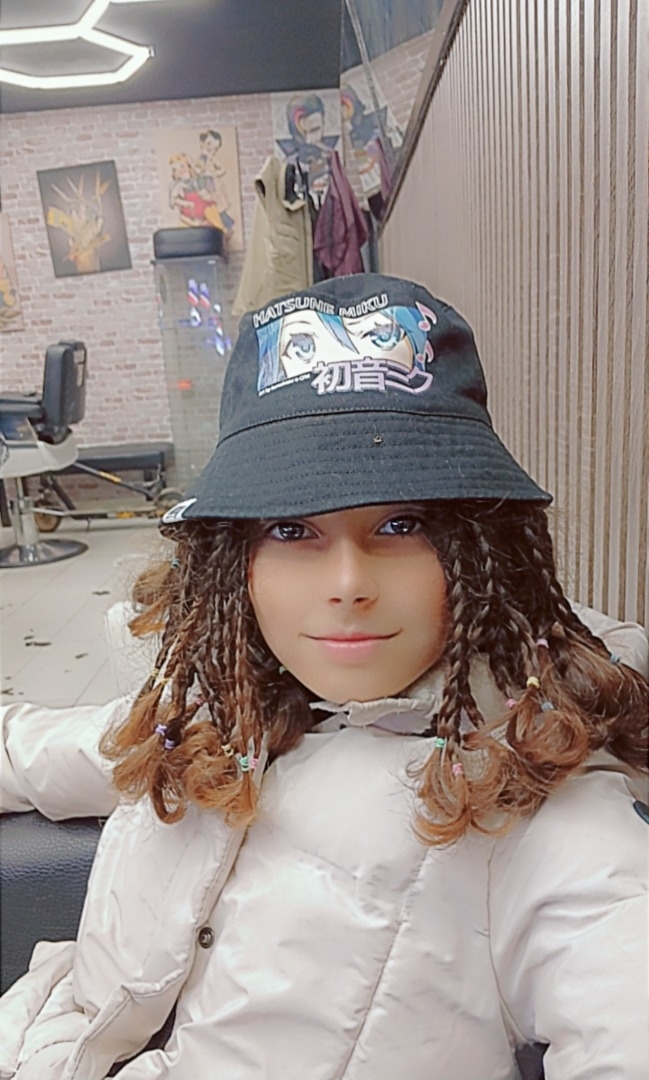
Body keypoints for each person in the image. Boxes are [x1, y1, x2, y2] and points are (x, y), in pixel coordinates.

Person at [0, 274, 647, 1080]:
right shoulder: (215, 707)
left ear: (481, 548)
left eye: (401, 524)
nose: (346, 582)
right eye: (290, 528)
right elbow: (49, 752)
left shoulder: (532, 795)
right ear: (233, 560)